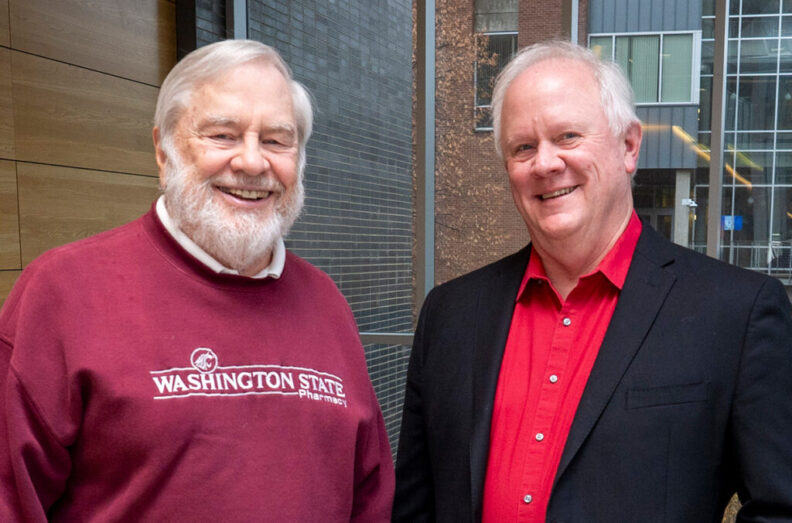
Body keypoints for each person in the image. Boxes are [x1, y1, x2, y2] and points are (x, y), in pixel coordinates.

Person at [393, 40, 792, 522]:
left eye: (567, 137)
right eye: (523, 147)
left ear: (628, 146)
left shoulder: (735, 312)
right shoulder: (450, 315)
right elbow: (415, 505)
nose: (545, 164)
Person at [0, 39, 394, 521]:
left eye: (275, 140)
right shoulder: (62, 291)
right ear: (163, 152)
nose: (252, 163)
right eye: (223, 135)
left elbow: (370, 495)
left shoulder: (327, 302)